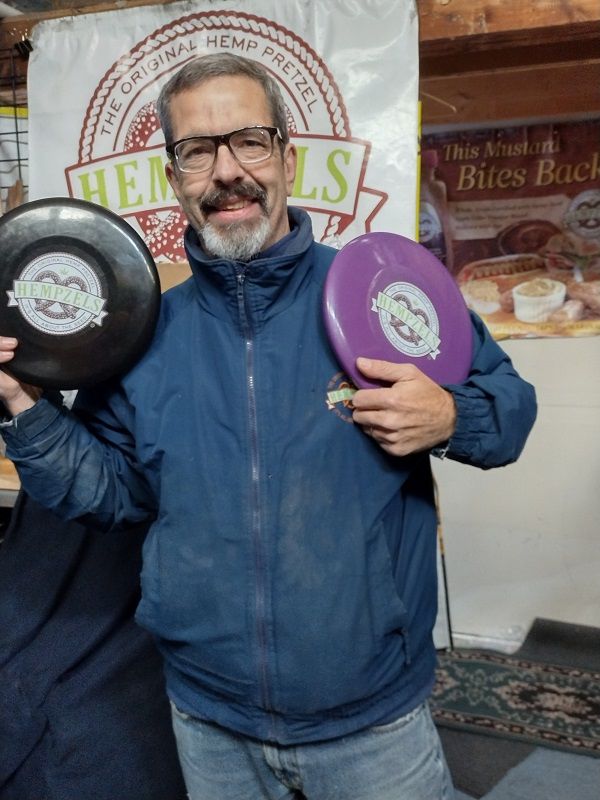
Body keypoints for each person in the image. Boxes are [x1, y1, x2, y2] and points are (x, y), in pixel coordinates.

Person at [0, 53, 537, 800]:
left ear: (287, 157)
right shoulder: (143, 335)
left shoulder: (381, 296)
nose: (227, 171)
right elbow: (112, 495)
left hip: (372, 722)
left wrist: (450, 415)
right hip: (208, 722)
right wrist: (22, 406)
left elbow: (512, 413)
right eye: (196, 151)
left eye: (248, 141)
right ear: (174, 179)